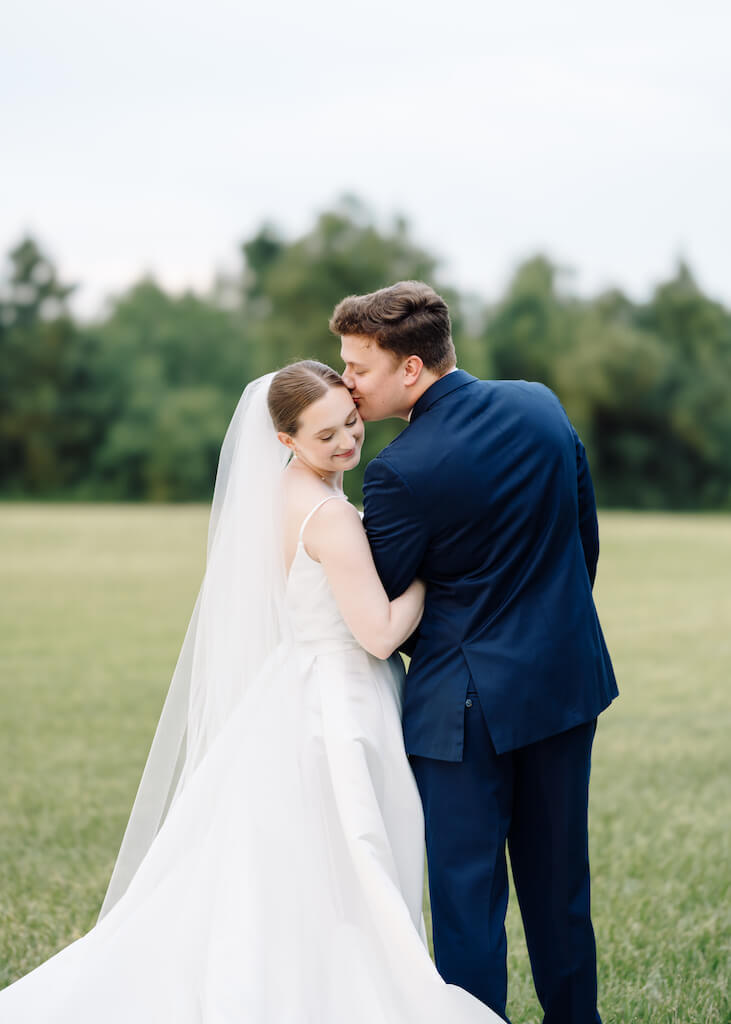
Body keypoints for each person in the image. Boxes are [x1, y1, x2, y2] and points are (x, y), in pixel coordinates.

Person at [0, 361, 504, 1023]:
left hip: (292, 688)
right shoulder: (328, 515)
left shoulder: (279, 496)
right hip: (340, 700)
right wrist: (434, 579)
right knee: (352, 855)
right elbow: (379, 634)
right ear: (284, 441)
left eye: (351, 422)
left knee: (290, 864)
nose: (348, 442)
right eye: (326, 436)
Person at [331, 281, 618, 1024]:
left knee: (466, 903)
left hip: (462, 716)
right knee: (561, 892)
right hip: (562, 684)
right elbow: (581, 544)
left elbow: (387, 605)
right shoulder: (540, 404)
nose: (347, 384)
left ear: (411, 370)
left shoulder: (398, 472)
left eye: (358, 367)